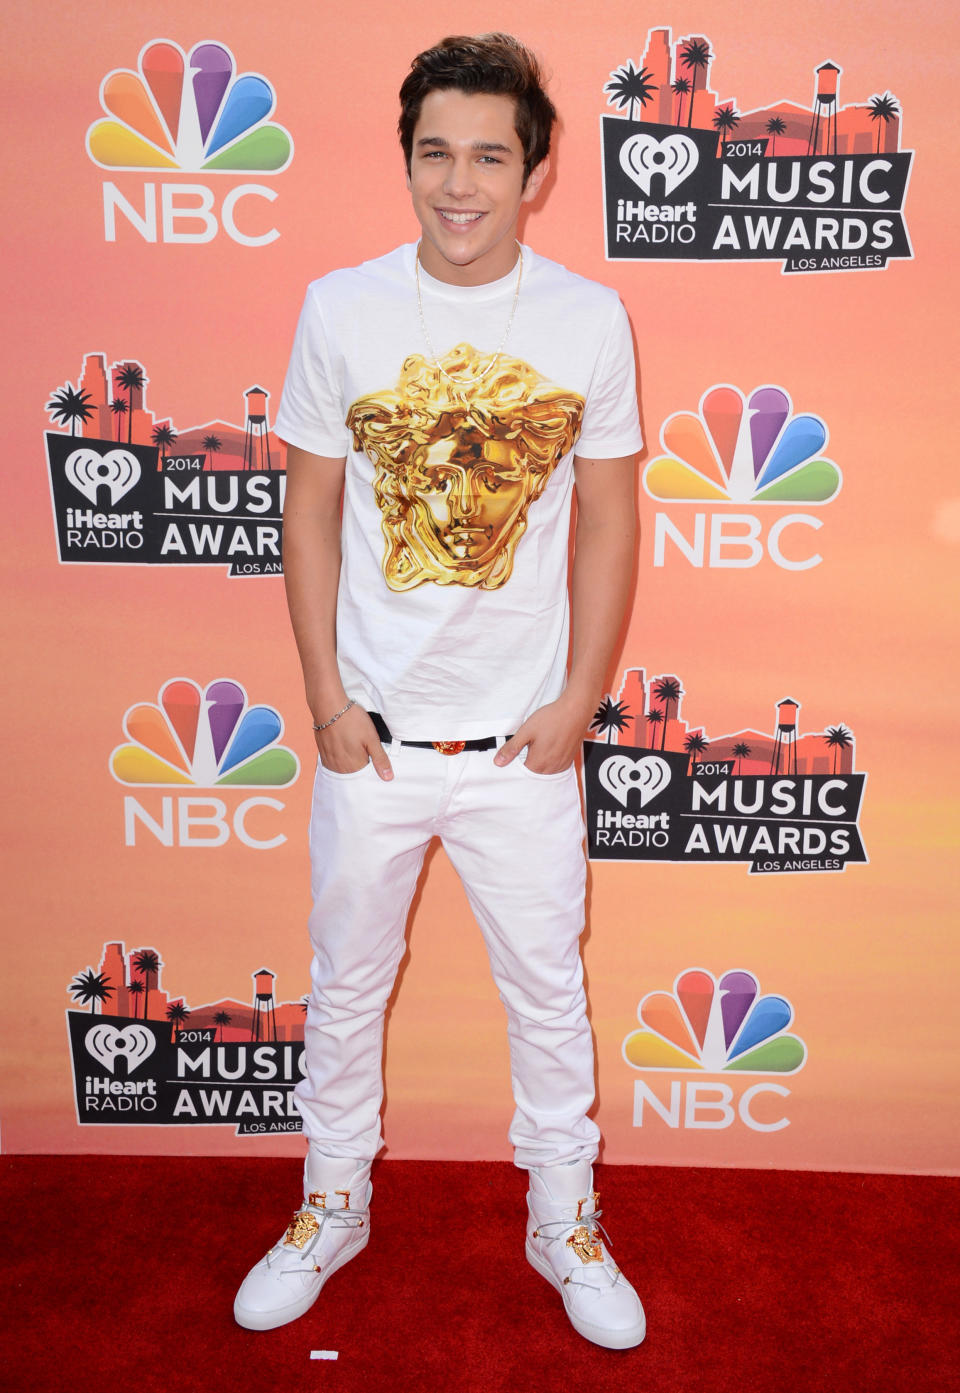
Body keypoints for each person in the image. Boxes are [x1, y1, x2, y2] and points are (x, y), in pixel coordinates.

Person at [234, 33, 645, 1350]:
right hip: (377, 745)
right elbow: (306, 509)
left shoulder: (587, 319)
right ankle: (333, 1199)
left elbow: (607, 515)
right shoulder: (340, 308)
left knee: (547, 993)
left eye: (488, 156)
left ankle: (564, 1216)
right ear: (405, 158)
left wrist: (579, 697)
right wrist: (326, 701)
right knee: (345, 984)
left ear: (535, 171)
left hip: (522, 746)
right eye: (435, 154)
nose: (457, 186)